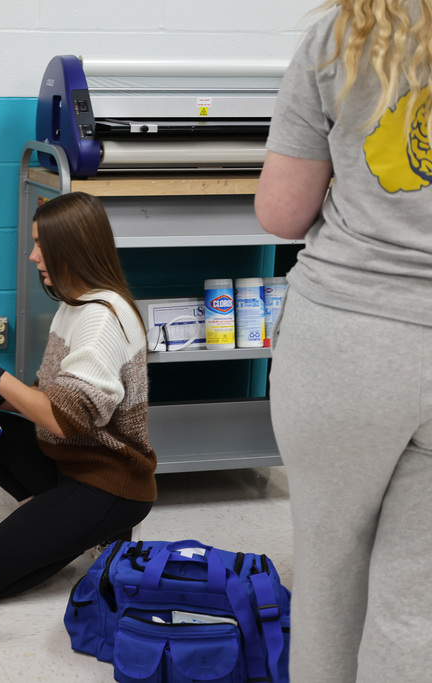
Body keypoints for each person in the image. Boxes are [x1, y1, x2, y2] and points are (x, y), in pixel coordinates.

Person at [255, 2, 432, 680]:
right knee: (418, 603)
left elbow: (283, 211)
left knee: (328, 575)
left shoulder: (342, 37)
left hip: (348, 346)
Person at [0, 191, 156, 599]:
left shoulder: (101, 320)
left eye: (41, 245)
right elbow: (52, 393)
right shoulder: (75, 305)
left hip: (108, 480)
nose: (33, 256)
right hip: (67, 460)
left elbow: (67, 418)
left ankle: (87, 525)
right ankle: (53, 514)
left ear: (70, 250)